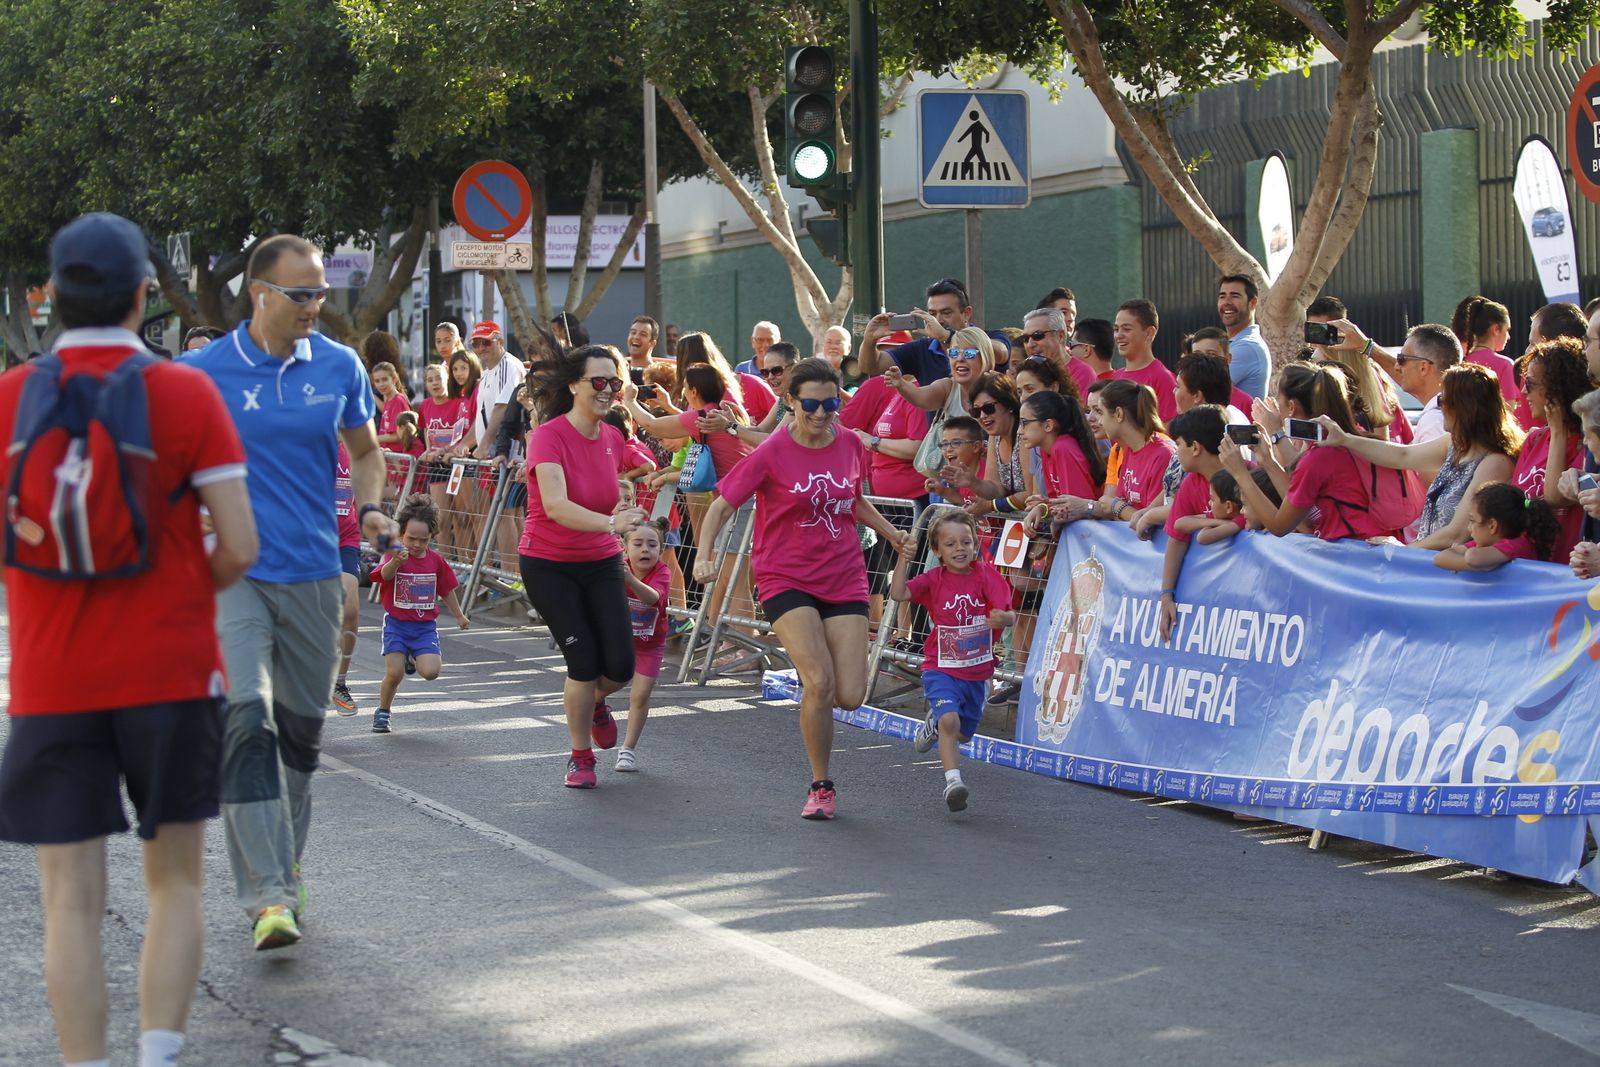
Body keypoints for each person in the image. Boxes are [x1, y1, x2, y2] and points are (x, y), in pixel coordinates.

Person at [0, 213, 256, 1067]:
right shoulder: (185, 393)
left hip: (49, 678)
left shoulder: (7, 400)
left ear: (52, 293)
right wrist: (183, 585)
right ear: (144, 294)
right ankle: (158, 1054)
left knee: (69, 899)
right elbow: (242, 544)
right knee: (174, 881)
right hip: (173, 670)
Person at [183, 233, 396, 952]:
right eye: (301, 294)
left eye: (320, 295)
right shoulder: (201, 373)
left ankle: (286, 863)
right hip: (232, 574)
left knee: (300, 743)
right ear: (260, 292)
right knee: (248, 723)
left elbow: (366, 453)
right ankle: (269, 895)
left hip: (312, 573)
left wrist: (369, 507)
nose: (315, 306)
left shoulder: (337, 366)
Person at [693, 359, 908, 820]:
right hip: (784, 576)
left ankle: (814, 691)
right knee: (821, 680)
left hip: (843, 574)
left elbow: (852, 498)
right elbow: (721, 507)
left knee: (851, 694)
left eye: (830, 403)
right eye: (810, 403)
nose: (821, 412)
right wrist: (704, 553)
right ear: (790, 402)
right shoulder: (772, 451)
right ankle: (821, 784)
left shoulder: (850, 442)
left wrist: (891, 533)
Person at [521, 344, 648, 790]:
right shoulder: (548, 437)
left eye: (614, 382)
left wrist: (649, 480)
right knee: (582, 661)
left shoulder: (612, 437)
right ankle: (579, 756)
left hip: (599, 561)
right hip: (548, 563)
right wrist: (614, 522)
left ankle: (592, 702)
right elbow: (555, 506)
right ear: (574, 385)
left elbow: (639, 463)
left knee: (619, 666)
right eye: (598, 382)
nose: (608, 390)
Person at [1316, 363, 1518, 550]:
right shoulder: (1455, 443)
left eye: (1443, 400)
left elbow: (1455, 534)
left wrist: (1402, 552)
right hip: (1432, 565)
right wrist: (1345, 440)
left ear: (1465, 407)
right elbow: (1401, 455)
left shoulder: (1495, 463)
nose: (1439, 407)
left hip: (1455, 576)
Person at [893, 508, 1015, 813]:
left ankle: (933, 723)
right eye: (950, 544)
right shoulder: (934, 579)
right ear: (937, 551)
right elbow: (898, 594)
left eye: (966, 542)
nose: (959, 549)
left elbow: (1009, 613)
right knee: (950, 720)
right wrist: (903, 558)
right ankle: (953, 782)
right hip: (941, 667)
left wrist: (1004, 618)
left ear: (975, 544)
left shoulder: (987, 575)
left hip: (977, 672)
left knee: (961, 732)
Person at [1221, 363, 1400, 542]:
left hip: (1355, 554)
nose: (1274, 403)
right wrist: (1268, 460)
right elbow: (1303, 516)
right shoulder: (1354, 437)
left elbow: (1280, 526)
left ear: (1291, 406)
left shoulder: (1319, 456)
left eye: (1277, 397)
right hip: (1374, 549)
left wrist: (1240, 473)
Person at [368, 494, 468, 733]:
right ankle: (383, 711)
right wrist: (395, 563)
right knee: (394, 673)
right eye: (411, 538)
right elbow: (382, 576)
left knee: (431, 672)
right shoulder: (393, 554)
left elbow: (446, 589)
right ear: (401, 533)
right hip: (397, 624)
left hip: (423, 627)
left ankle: (413, 656)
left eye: (423, 540)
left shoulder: (435, 561)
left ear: (431, 538)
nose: (416, 545)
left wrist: (459, 615)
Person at [1156, 406, 1232, 639]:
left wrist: (1207, 522)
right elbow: (1177, 538)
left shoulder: (1244, 476)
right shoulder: (1191, 483)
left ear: (1195, 447)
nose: (1176, 452)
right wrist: (1167, 595)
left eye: (1178, 444)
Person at [1512, 337, 1590, 563]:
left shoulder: (1590, 442)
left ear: (1558, 389)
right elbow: (1518, 502)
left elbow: (1555, 497)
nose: (1524, 391)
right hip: (1528, 567)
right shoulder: (1534, 439)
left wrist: (1557, 432)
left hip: (1567, 578)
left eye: (1531, 383)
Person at [1063, 380, 1174, 521]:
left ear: (1118, 414)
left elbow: (1151, 521)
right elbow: (1112, 506)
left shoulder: (1162, 454)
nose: (1099, 421)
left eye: (1100, 412)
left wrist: (1116, 507)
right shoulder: (1126, 449)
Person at [616, 519, 673, 772]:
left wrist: (629, 579)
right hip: (617, 640)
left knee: (639, 696)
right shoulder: (616, 567)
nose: (645, 550)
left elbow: (652, 598)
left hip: (650, 644)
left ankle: (627, 750)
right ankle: (598, 711)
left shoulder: (662, 572)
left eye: (652, 545)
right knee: (600, 685)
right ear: (625, 548)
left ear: (660, 551)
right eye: (637, 544)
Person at [1434, 481, 1559, 570]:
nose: (1469, 528)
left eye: (1472, 521)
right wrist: (1474, 566)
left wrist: (1464, 561)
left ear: (1492, 525)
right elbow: (1440, 558)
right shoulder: (1486, 543)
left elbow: (1473, 558)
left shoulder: (1519, 544)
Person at [331, 443, 363, 717]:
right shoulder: (307, 441)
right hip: (310, 539)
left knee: (351, 608)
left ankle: (339, 682)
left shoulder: (355, 446)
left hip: (345, 539)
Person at [1451, 295, 1524, 408]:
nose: (1508, 336)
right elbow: (1509, 409)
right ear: (1496, 329)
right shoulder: (1505, 364)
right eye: (1507, 330)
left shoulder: (1460, 363)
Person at [468, 321, 526, 462]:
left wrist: (484, 446)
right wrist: (462, 445)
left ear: (500, 342)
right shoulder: (486, 373)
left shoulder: (509, 365)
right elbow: (482, 417)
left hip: (506, 451)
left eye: (486, 342)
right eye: (476, 344)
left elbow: (502, 408)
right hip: (491, 453)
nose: (481, 348)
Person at [1112, 299, 1179, 422]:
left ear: (1149, 333)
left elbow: (1168, 435)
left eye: (1126, 329)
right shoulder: (1114, 377)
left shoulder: (1163, 379)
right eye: (1116, 329)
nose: (1118, 335)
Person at [1021, 306, 1094, 399]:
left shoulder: (1082, 373)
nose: (1030, 345)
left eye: (1037, 335)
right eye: (1025, 338)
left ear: (1060, 336)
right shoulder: (1025, 374)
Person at [1216, 274, 1270, 398]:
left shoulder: (1247, 347)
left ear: (1253, 303)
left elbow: (1201, 389)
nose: (1227, 302)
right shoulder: (1235, 343)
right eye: (1222, 296)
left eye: (1235, 296)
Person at [1182, 327, 1255, 415]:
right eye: (1197, 354)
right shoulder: (1182, 396)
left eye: (1211, 354)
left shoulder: (1244, 402)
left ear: (1228, 359)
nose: (1204, 360)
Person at [370, 359, 412, 448]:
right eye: (377, 381)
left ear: (394, 379)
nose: (381, 384)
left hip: (398, 457)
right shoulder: (389, 399)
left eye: (384, 379)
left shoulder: (398, 400)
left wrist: (372, 439)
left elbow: (397, 436)